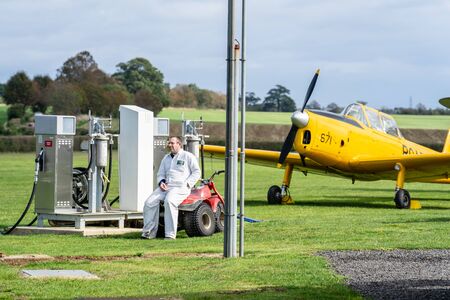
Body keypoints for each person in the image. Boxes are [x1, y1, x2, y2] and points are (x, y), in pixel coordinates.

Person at [142, 136, 201, 240]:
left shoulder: (187, 156)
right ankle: (149, 233)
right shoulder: (166, 158)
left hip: (180, 188)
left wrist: (187, 184)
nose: (170, 145)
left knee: (169, 202)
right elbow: (160, 174)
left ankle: (170, 235)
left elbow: (197, 172)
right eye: (169, 143)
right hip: (166, 187)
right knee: (149, 202)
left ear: (179, 144)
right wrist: (161, 182)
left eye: (172, 143)